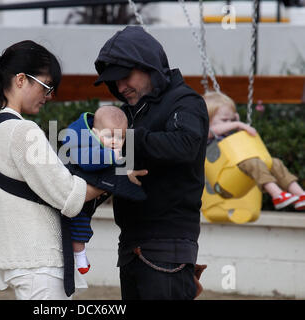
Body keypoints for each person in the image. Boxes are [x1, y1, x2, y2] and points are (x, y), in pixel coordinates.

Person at [0, 40, 105, 300]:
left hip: (18, 258)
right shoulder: (23, 131)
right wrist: (118, 178)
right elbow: (67, 195)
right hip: (39, 260)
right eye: (46, 87)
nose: (49, 96)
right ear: (21, 79)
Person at [94, 26, 209, 300]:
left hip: (167, 247)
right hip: (130, 247)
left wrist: (128, 138)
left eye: (125, 77)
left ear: (150, 66)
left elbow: (186, 145)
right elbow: (117, 167)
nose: (120, 87)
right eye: (114, 81)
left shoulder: (185, 102)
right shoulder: (128, 113)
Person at [204, 91, 305, 210]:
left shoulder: (230, 133)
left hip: (239, 175)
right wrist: (237, 123)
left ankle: (300, 195)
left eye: (231, 119)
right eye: (225, 120)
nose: (230, 123)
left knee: (274, 162)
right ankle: (277, 195)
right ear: (207, 120)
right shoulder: (206, 134)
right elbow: (212, 130)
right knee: (253, 162)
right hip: (223, 184)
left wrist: (235, 122)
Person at [63, 105, 128, 274]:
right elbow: (87, 162)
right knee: (79, 224)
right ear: (94, 133)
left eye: (120, 137)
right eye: (109, 136)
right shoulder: (84, 143)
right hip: (71, 193)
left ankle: (79, 254)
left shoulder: (105, 146)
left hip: (86, 195)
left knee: (82, 223)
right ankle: (80, 256)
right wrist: (113, 157)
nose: (115, 141)